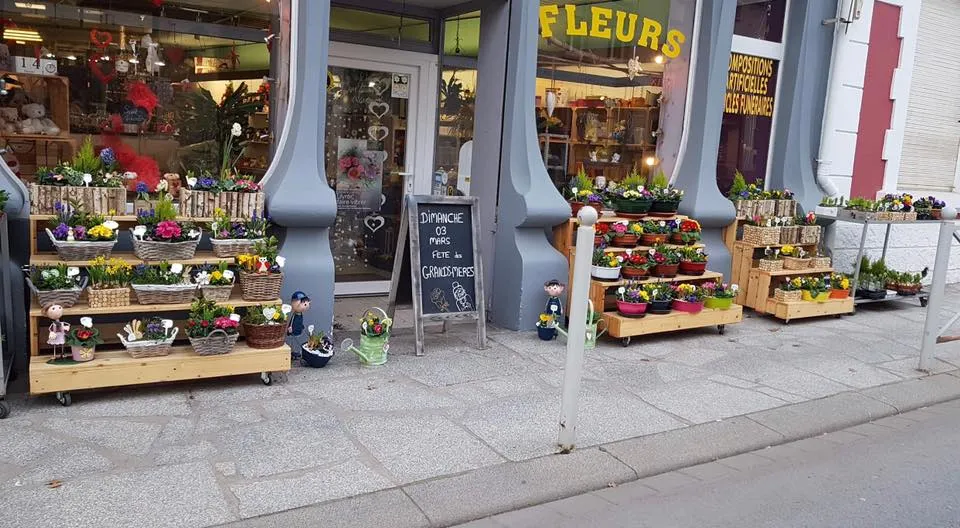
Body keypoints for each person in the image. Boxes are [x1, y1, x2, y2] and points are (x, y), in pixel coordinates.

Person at [288, 291, 310, 360]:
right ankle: (293, 352)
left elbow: (300, 321)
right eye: (303, 303)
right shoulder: (295, 315)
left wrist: (301, 326)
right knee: (294, 342)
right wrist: (290, 328)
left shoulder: (300, 314)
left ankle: (296, 352)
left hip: (298, 330)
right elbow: (291, 322)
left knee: (298, 341)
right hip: (293, 331)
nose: (305, 306)